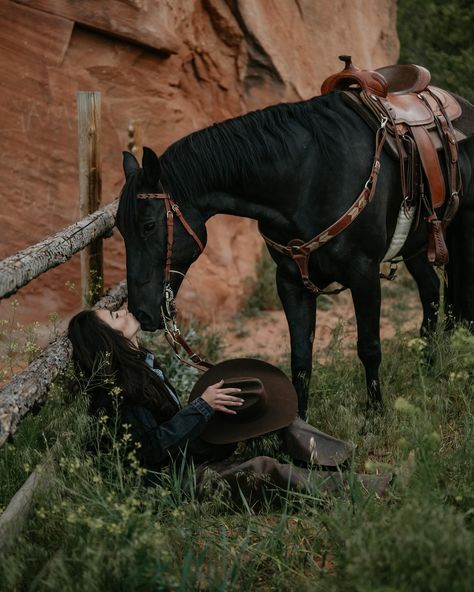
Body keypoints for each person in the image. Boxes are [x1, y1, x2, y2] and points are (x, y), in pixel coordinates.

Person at [67, 307, 391, 503]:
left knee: (270, 415)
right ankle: (363, 490)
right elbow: (150, 450)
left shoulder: (140, 366)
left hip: (184, 453)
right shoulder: (117, 394)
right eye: (114, 316)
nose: (123, 311)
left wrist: (212, 409)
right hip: (170, 480)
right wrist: (202, 408)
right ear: (107, 338)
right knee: (262, 469)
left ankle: (341, 460)